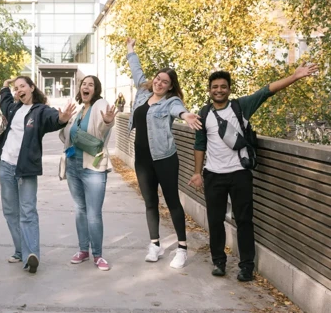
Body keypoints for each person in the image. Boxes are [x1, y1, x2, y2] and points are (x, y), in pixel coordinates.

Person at [188, 63, 319, 281]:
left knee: (244, 220)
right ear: (209, 90)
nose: (218, 90)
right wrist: (197, 172)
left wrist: (295, 76)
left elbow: (267, 90)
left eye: (223, 86)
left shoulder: (241, 107)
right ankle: (219, 262)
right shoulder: (204, 114)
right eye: (214, 87)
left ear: (229, 89)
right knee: (215, 220)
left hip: (240, 174)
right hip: (213, 175)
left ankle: (246, 266)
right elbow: (199, 145)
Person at [126, 37, 202, 269]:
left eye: (164, 82)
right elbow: (136, 70)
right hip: (143, 159)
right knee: (150, 202)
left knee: (172, 203)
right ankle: (155, 245)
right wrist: (130, 49)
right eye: (158, 79)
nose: (159, 83)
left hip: (165, 159)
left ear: (170, 86)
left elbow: (178, 109)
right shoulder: (142, 92)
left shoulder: (171, 101)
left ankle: (181, 248)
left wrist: (186, 115)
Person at [0, 76, 75, 273]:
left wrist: (62, 118)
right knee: (10, 212)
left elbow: (53, 119)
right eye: (16, 88)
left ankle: (31, 255)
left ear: (32, 88)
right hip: (6, 165)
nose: (19, 90)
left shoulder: (40, 110)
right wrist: (5, 86)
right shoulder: (14, 108)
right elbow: (5, 101)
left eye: (22, 86)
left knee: (28, 211)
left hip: (25, 169)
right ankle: (19, 250)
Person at [60, 75, 117, 271]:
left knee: (93, 213)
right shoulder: (78, 111)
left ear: (96, 89)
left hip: (92, 166)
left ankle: (98, 255)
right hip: (73, 165)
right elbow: (66, 136)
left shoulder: (100, 104)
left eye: (91, 85)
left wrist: (108, 122)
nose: (86, 87)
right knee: (80, 210)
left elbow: (101, 129)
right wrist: (64, 121)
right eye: (84, 84)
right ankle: (83, 249)